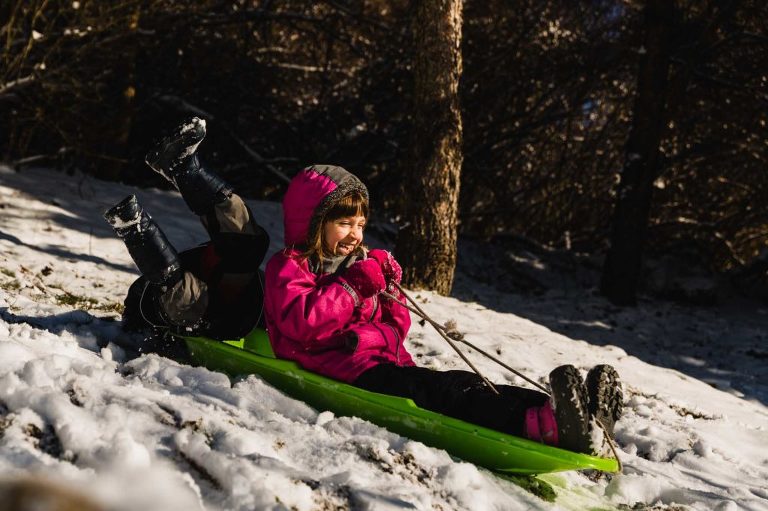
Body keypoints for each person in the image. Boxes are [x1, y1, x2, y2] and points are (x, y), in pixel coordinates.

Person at [264, 164, 623, 455]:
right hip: (344, 369)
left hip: (384, 364)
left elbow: (397, 325)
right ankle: (544, 427)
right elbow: (302, 323)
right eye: (344, 223)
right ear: (313, 221)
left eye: (360, 224)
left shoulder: (356, 263)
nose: (355, 234)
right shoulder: (292, 266)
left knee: (475, 385)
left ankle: (568, 414)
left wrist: (388, 289)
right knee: (451, 392)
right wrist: (356, 286)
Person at [104, 117, 269, 343]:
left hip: (227, 307)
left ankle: (138, 229)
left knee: (197, 302)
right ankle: (181, 168)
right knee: (247, 245)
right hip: (167, 300)